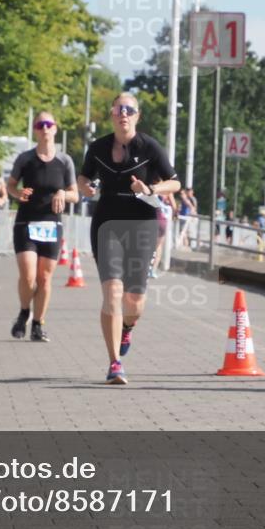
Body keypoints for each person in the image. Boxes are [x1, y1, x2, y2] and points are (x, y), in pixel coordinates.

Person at [78, 93, 180, 385]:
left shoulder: (149, 146)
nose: (124, 114)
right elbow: (83, 178)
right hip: (107, 223)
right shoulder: (97, 147)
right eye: (118, 109)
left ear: (138, 115)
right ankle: (114, 363)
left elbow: (175, 181)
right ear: (111, 114)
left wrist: (149, 188)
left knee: (134, 302)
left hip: (142, 224)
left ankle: (126, 327)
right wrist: (85, 187)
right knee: (112, 293)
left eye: (129, 110)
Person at [7, 112, 78, 342]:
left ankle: (38, 324)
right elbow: (10, 185)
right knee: (28, 276)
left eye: (49, 124)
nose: (45, 128)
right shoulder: (25, 158)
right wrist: (18, 193)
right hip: (26, 222)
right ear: (35, 130)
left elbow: (75, 195)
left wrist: (63, 193)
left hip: (51, 225)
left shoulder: (65, 161)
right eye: (40, 125)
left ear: (55, 128)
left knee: (45, 278)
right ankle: (24, 311)